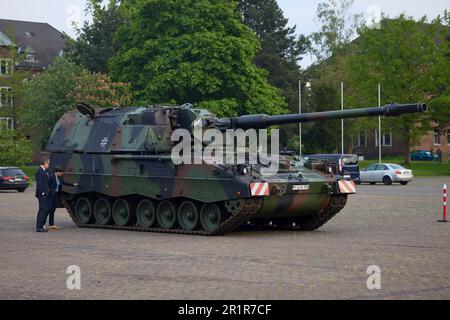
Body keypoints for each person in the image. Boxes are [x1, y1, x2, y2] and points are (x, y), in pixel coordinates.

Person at [47, 165, 78, 230]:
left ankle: (51, 224)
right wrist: (47, 193)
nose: (62, 173)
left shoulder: (60, 178)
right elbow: (46, 185)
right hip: (50, 196)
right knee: (48, 210)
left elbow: (64, 183)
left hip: (56, 195)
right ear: (57, 172)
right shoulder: (51, 177)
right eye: (61, 172)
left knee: (53, 210)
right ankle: (43, 223)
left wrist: (73, 185)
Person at [35, 159, 51, 232]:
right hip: (42, 194)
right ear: (45, 163)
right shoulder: (40, 171)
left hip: (44, 193)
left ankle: (41, 225)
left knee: (44, 209)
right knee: (43, 209)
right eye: (48, 163)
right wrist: (42, 193)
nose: (48, 165)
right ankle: (39, 227)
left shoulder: (43, 170)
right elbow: (40, 183)